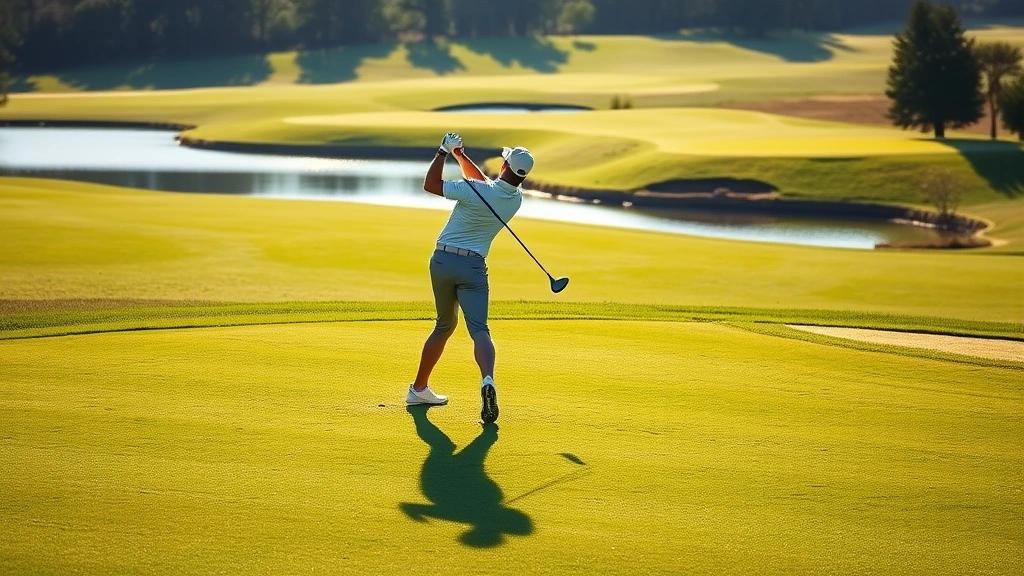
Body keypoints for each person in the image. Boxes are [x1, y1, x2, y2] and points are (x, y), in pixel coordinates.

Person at [406, 132, 535, 424]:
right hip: (474, 267)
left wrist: (442, 152)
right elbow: (483, 185)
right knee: (479, 329)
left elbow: (431, 185)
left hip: (442, 261)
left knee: (443, 325)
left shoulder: (473, 190)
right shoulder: (515, 200)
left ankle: (419, 389)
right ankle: (487, 379)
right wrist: (461, 156)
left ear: (504, 167)